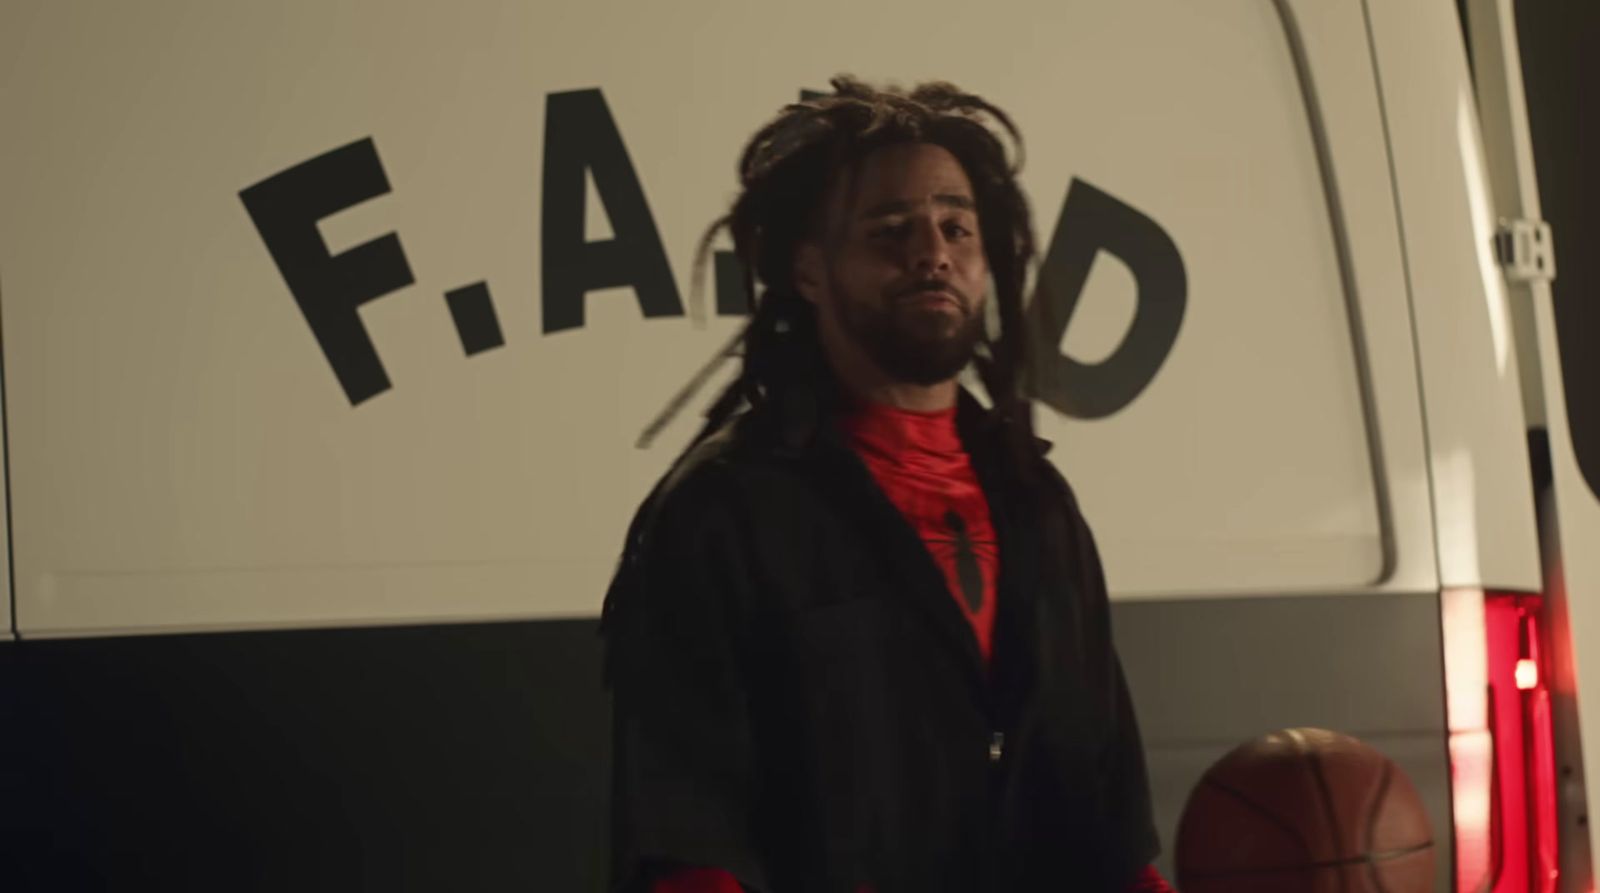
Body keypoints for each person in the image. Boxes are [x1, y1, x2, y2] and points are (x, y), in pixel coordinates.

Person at [600, 76, 1174, 893]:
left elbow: (1112, 825)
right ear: (808, 268)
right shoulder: (723, 514)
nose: (931, 250)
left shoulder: (1038, 503)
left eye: (955, 226)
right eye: (889, 229)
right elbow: (692, 841)